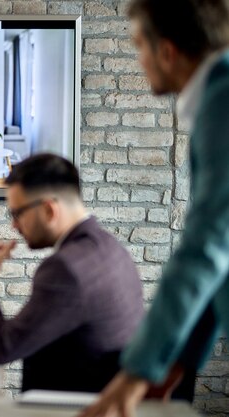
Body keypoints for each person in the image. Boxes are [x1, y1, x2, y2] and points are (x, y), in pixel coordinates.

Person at [80, 0, 229, 415]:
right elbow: (222, 263)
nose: (139, 60)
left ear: (166, 50)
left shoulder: (223, 99)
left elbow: (207, 248)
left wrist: (137, 374)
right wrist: (175, 364)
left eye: (138, 46)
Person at [0, 154, 145, 393]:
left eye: (17, 213)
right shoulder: (109, 247)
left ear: (49, 210)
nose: (14, 225)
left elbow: (3, 349)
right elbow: (69, 337)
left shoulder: (65, 268)